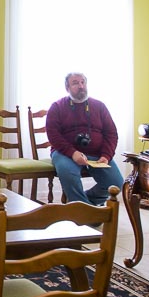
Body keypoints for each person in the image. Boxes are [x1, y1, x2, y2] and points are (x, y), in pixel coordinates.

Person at [46, 72, 123, 205]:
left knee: (116, 183)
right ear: (67, 88)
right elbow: (53, 135)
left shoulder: (99, 106)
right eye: (75, 83)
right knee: (68, 175)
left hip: (97, 154)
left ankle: (84, 204)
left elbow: (111, 134)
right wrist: (73, 153)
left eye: (83, 82)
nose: (81, 86)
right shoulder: (57, 107)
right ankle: (84, 211)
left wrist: (106, 155)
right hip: (65, 153)